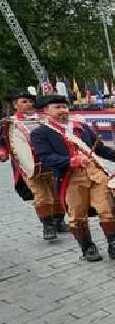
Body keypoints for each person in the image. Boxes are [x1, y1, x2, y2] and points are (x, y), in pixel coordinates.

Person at [31, 95, 115, 262]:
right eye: (57, 107)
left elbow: (100, 149)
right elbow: (46, 158)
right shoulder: (41, 133)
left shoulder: (81, 127)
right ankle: (88, 248)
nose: (62, 110)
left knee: (107, 209)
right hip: (70, 178)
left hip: (96, 174)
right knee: (77, 215)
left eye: (64, 106)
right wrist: (71, 161)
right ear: (46, 111)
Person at [0, 92, 67, 239]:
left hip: (52, 163)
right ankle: (48, 226)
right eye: (24, 102)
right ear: (15, 105)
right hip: (28, 166)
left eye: (30, 102)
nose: (29, 104)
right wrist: (3, 152)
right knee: (42, 195)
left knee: (56, 193)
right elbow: (2, 143)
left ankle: (59, 221)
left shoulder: (44, 119)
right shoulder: (9, 123)